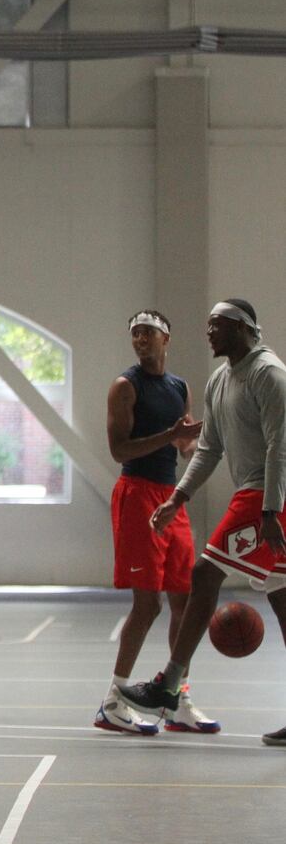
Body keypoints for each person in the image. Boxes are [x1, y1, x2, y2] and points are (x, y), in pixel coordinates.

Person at [118, 299, 286, 746]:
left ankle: (168, 685)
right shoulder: (218, 380)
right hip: (258, 493)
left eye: (217, 325)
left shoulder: (268, 374)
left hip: (268, 494)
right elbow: (209, 449)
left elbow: (280, 447)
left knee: (203, 574)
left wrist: (271, 510)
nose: (208, 332)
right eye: (208, 324)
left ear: (245, 329)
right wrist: (177, 498)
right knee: (285, 606)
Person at [95, 310, 213, 735]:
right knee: (148, 603)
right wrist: (170, 434)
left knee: (185, 598)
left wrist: (204, 437)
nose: (140, 340)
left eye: (148, 333)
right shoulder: (125, 387)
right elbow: (120, 450)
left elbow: (185, 446)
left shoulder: (179, 386)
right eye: (135, 334)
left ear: (167, 337)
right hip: (137, 495)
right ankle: (113, 701)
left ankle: (175, 697)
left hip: (170, 496)